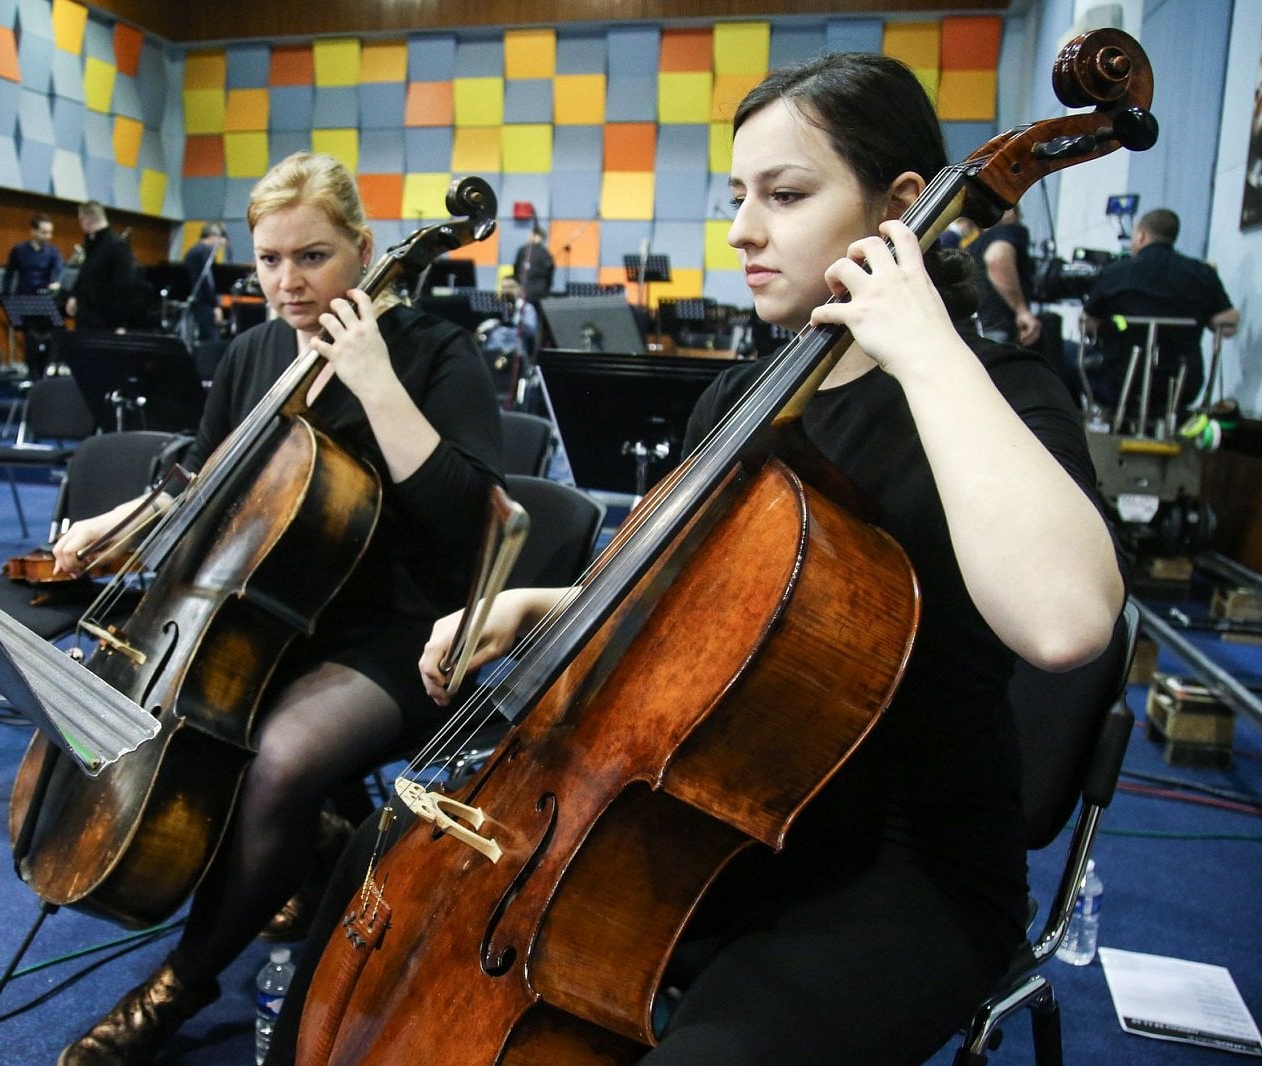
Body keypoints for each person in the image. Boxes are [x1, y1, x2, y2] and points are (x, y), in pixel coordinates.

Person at [266, 52, 1124, 1066]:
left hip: (896, 869)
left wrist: (924, 346)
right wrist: (532, 609)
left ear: (901, 207)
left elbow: (1067, 619)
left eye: (786, 194)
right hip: (691, 817)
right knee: (384, 857)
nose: (741, 230)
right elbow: (682, 604)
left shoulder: (994, 394)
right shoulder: (741, 401)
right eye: (736, 197)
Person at [49, 151, 504, 1064]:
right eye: (270, 260)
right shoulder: (256, 351)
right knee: (177, 721)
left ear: (366, 250)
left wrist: (373, 378)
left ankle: (182, 984)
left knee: (278, 757)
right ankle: (309, 843)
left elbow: (470, 523)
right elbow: (210, 478)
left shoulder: (436, 352)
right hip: (273, 609)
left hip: (406, 630)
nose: (289, 284)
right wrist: (123, 519)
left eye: (314, 257)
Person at [1084, 207, 1239, 413]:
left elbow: (1088, 322)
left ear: (1141, 236)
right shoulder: (1203, 273)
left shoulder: (1116, 272)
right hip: (1183, 384)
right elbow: (1229, 326)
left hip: (1119, 380)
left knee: (1063, 356)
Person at [2, 214, 65, 379]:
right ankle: (32, 374)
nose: (47, 236)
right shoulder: (19, 250)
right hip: (24, 299)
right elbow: (9, 273)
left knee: (52, 335)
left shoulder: (53, 252)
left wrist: (56, 282)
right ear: (33, 231)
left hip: (45, 300)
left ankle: (45, 372)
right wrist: (5, 293)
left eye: (50, 232)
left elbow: (59, 269)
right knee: (30, 337)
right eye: (44, 232)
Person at [66, 200, 144, 332]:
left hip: (106, 321)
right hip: (86, 318)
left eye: (80, 220)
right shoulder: (92, 243)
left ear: (87, 219)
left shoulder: (118, 246)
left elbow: (125, 286)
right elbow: (85, 274)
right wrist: (74, 296)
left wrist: (122, 324)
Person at [968, 206, 1041, 348]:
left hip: (980, 327)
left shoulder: (976, 244)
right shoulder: (1009, 231)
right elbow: (996, 257)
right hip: (1002, 326)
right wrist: (1022, 311)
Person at [181, 220, 229, 343]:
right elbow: (207, 281)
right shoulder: (205, 252)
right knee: (212, 341)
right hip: (204, 304)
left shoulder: (192, 251)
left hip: (194, 301)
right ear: (213, 236)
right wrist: (216, 305)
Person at [511, 223, 554, 304]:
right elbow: (550, 274)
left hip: (524, 291)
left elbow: (516, 270)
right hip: (541, 292)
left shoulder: (523, 251)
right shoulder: (546, 254)